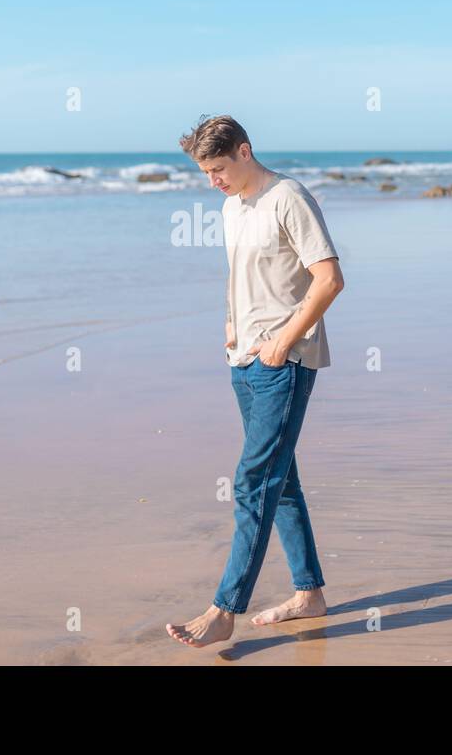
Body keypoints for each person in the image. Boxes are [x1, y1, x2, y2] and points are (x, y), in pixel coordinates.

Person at [167, 114, 345, 648]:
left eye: (217, 168)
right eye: (204, 172)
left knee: (252, 480)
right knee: (278, 477)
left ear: (244, 152)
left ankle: (225, 608)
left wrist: (285, 340)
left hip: (282, 363)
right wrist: (230, 320)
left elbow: (330, 278)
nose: (212, 181)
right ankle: (309, 593)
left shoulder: (288, 197)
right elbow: (240, 275)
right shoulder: (230, 206)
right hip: (243, 360)